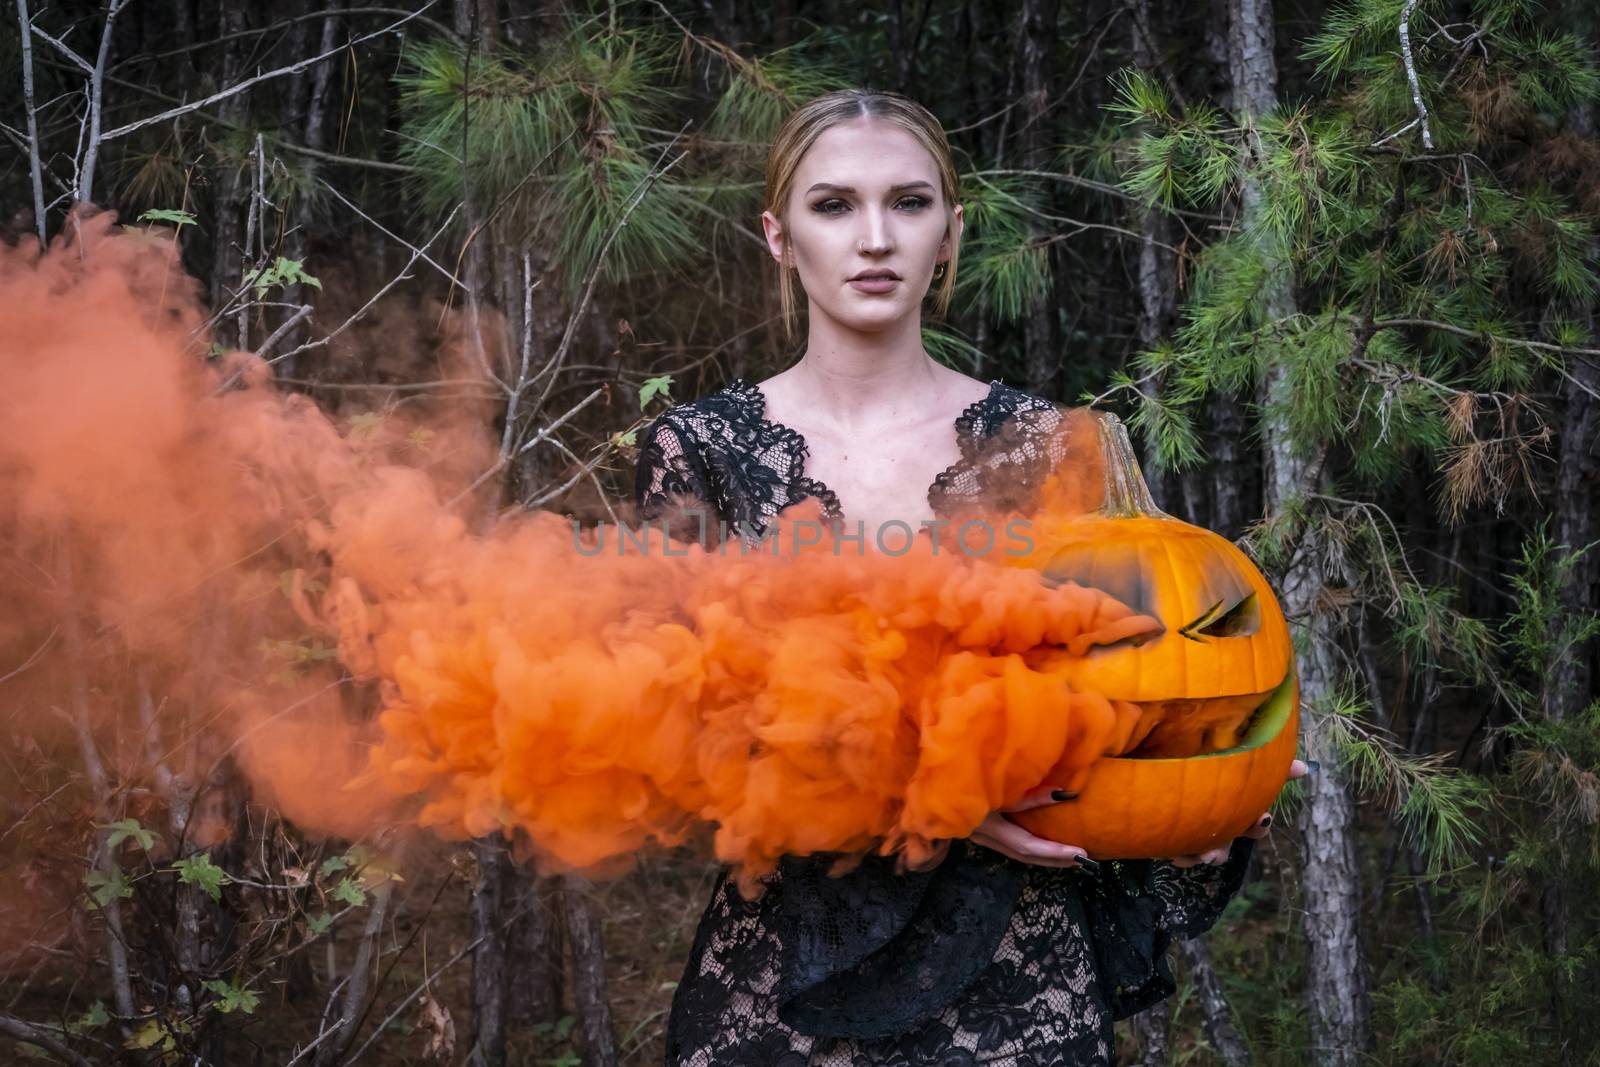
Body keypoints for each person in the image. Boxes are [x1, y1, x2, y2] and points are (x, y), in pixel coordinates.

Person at [634, 88, 1305, 1067]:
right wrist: (927, 788)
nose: (874, 237)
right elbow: (673, 737)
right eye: (833, 205)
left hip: (1017, 975)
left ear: (951, 230)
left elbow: (1130, 671)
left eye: (908, 203)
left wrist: (1201, 768)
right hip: (784, 980)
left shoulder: (1052, 446)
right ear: (778, 236)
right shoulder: (701, 449)